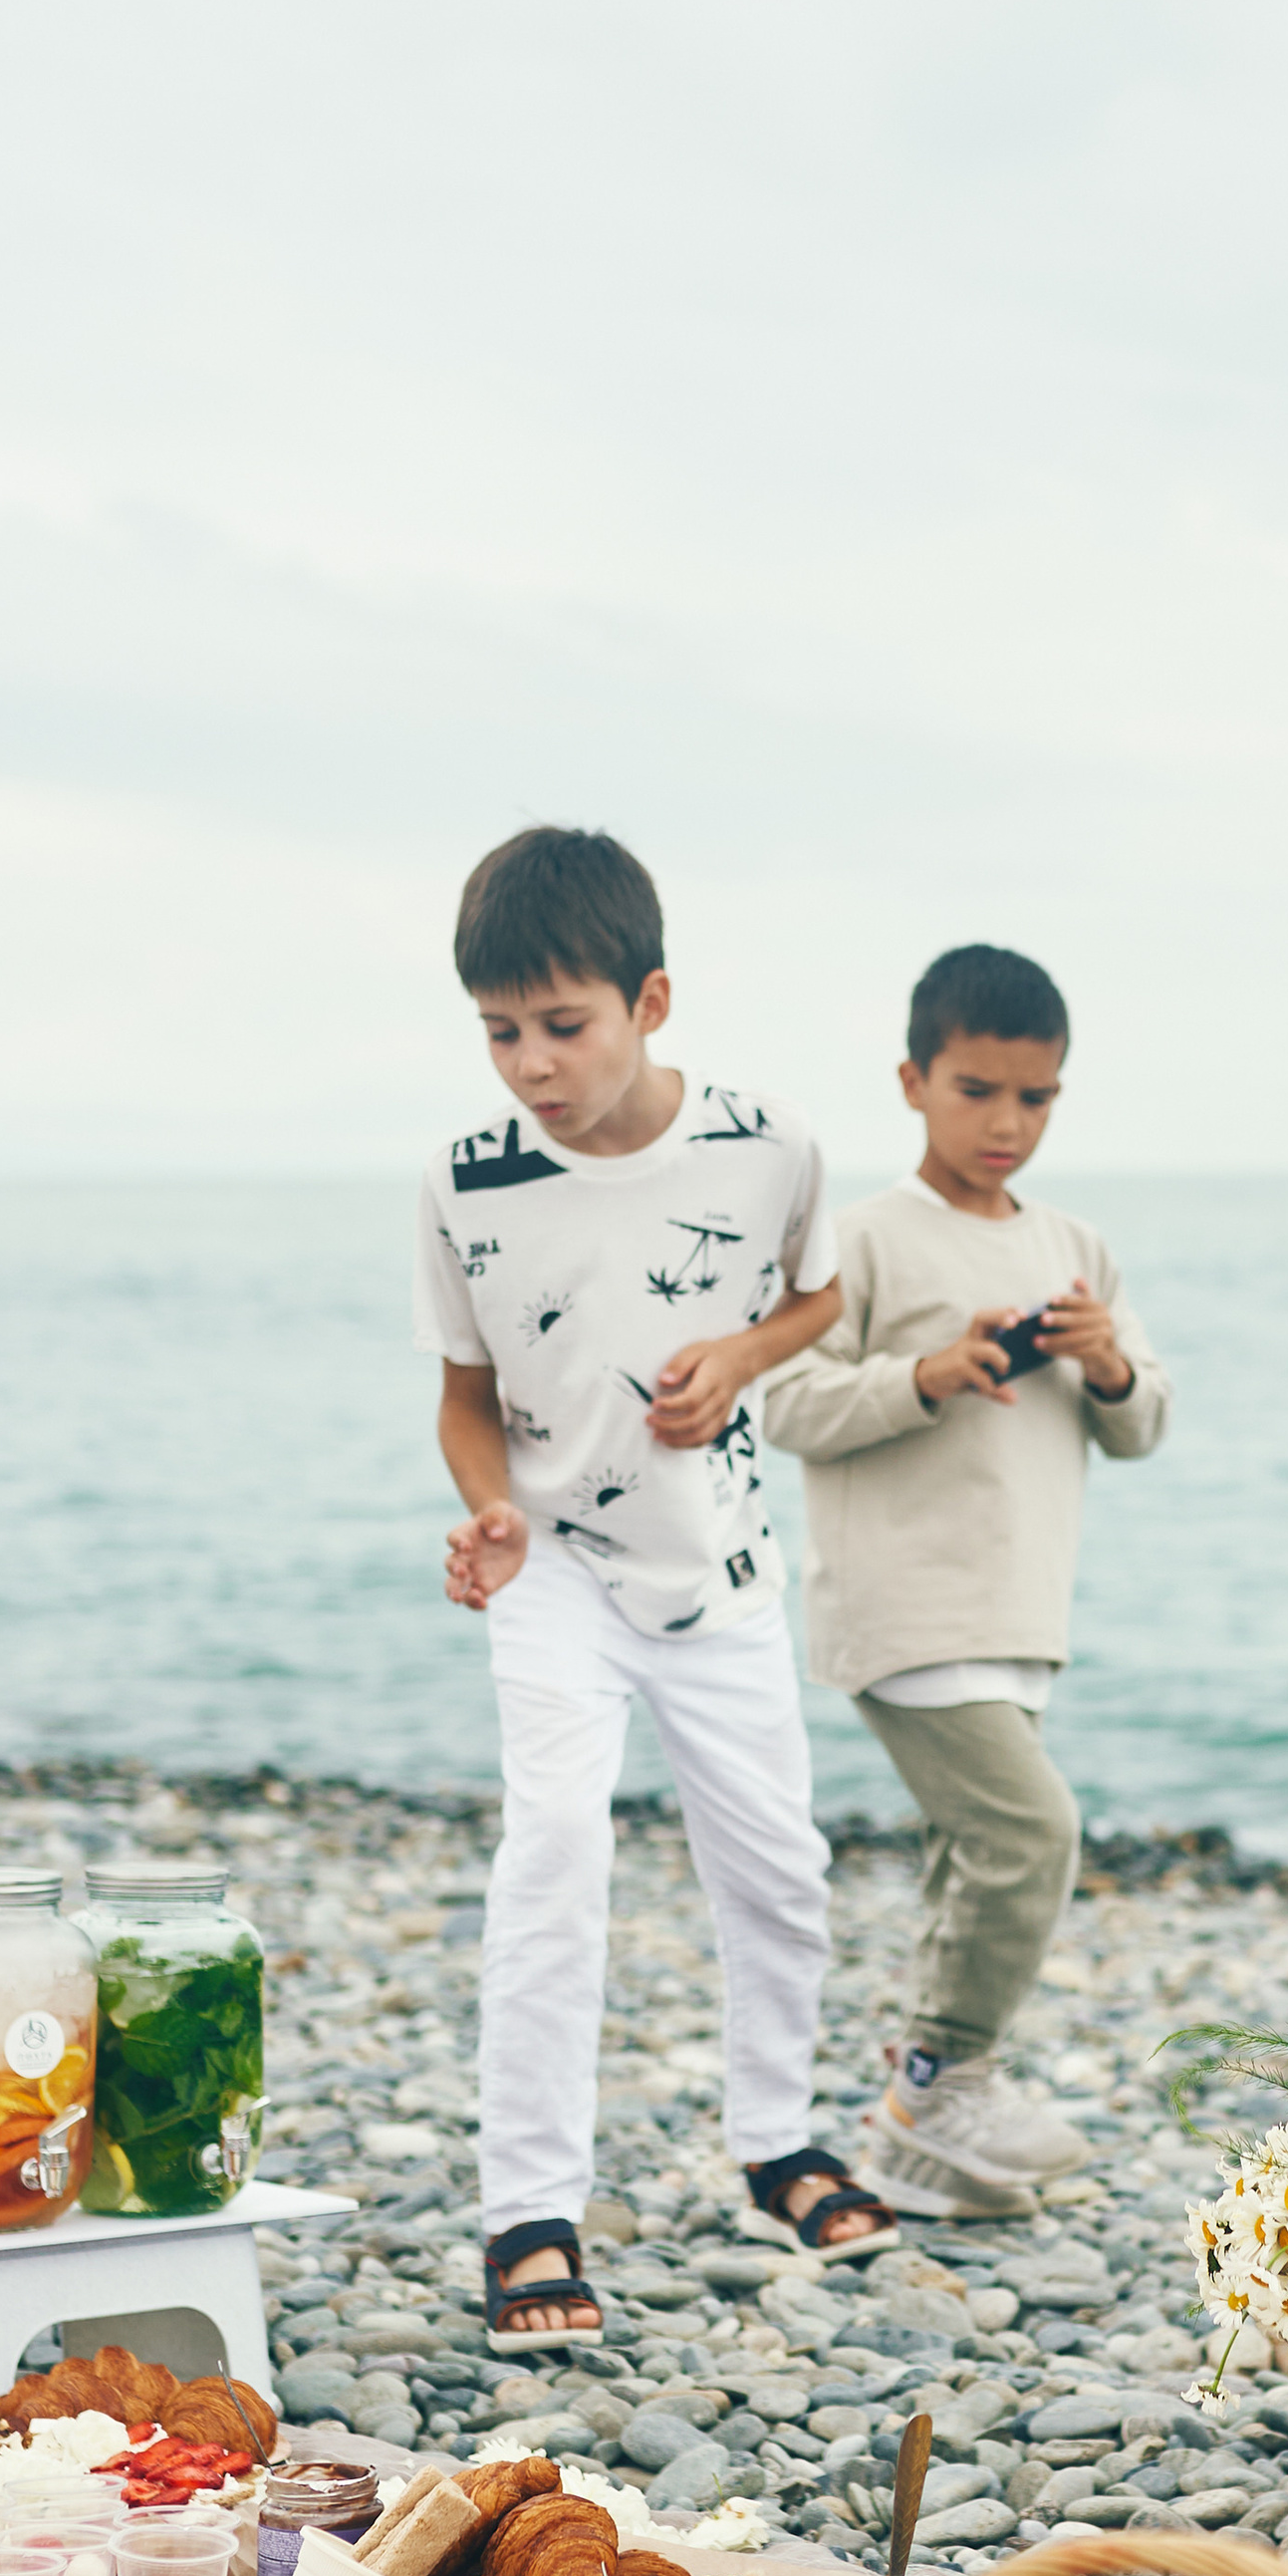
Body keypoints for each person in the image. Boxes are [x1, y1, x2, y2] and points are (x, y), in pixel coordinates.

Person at [416, 824, 894, 2344]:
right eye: (502, 1031)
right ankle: (529, 2215)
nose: (533, 1065)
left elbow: (820, 1295)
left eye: (565, 1025)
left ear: (652, 1001)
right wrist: (488, 1511)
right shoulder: (462, 1181)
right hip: (554, 1568)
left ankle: (779, 2143)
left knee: (779, 1869)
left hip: (724, 1565)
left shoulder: (771, 1145)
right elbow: (464, 1392)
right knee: (552, 1850)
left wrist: (742, 1359)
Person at [763, 944, 1170, 2218]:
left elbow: (1143, 1422)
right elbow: (786, 1401)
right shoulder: (864, 1240)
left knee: (968, 1855)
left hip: (1018, 1609)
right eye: (977, 1091)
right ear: (913, 1082)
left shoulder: (1074, 1246)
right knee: (1026, 1836)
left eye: (1034, 1099)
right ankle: (942, 2080)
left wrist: (1104, 1364)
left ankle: (912, 2146)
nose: (1006, 1124)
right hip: (902, 1607)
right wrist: (929, 1375)